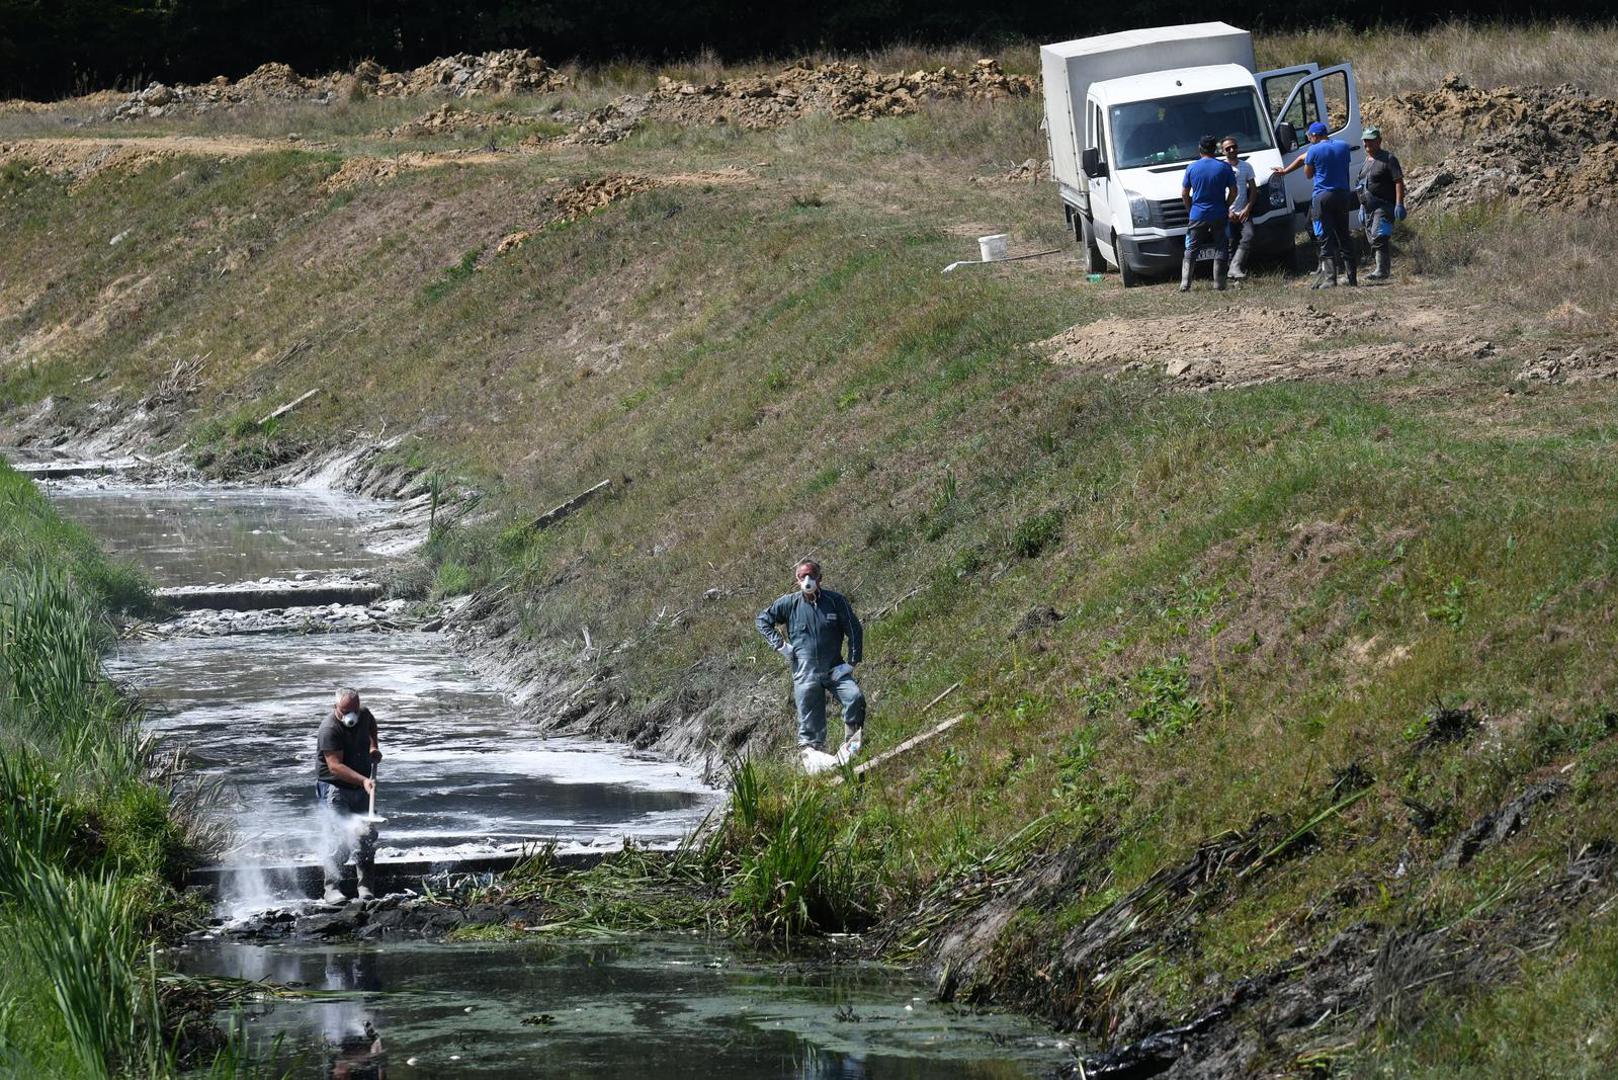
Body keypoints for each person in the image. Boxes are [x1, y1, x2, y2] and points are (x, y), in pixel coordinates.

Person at [756, 559, 865, 758]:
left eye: (812, 575)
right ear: (797, 580)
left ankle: (853, 749)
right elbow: (762, 620)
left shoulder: (836, 601)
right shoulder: (789, 603)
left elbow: (855, 629)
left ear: (820, 577)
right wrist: (780, 645)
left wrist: (851, 662)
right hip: (805, 673)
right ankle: (813, 766)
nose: (807, 580)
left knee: (855, 698)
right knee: (810, 729)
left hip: (835, 668)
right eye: (802, 576)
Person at [316, 686, 382, 903]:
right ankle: (331, 888)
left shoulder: (364, 714)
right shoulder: (329, 729)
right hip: (335, 788)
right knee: (340, 837)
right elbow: (335, 766)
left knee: (367, 836)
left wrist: (374, 746)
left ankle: (365, 888)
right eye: (345, 711)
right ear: (336, 707)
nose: (350, 715)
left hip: (362, 787)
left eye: (354, 709)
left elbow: (371, 724)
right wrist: (363, 780)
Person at [1276, 120, 1356, 288]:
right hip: (1343, 195)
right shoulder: (1342, 146)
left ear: (1313, 136)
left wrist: (1309, 164)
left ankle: (1330, 279)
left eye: (1309, 137)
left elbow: (1308, 174)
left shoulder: (1313, 150)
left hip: (1323, 197)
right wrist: (1285, 171)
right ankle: (1352, 277)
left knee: (1325, 237)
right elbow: (1302, 158)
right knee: (1344, 236)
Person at [1180, 134, 1236, 292]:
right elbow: (1234, 191)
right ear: (1216, 150)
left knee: (1191, 248)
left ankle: (1185, 283)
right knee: (1221, 247)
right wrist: (1226, 205)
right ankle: (1219, 284)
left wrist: (1190, 210)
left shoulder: (1192, 168)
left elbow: (1185, 193)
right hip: (1218, 213)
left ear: (1200, 149)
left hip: (1197, 214)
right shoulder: (1224, 167)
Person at [1358, 126, 1407, 281]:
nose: (1367, 144)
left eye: (1371, 141)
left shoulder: (1389, 159)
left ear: (1379, 141)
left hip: (1383, 205)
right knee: (1372, 238)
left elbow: (1398, 182)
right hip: (1367, 208)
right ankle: (1380, 267)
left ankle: (1382, 271)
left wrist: (1399, 204)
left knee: (1380, 236)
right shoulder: (1366, 161)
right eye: (1365, 141)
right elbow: (1362, 184)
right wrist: (1361, 206)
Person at [1221, 136, 1259, 281]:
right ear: (1223, 151)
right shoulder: (1222, 167)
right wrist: (1227, 210)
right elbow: (1219, 192)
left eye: (1234, 147)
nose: (1232, 150)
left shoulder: (1246, 166)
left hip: (1243, 211)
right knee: (1230, 242)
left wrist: (1248, 208)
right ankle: (1232, 275)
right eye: (1228, 148)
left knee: (1248, 235)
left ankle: (1235, 267)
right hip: (1227, 212)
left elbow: (1253, 190)